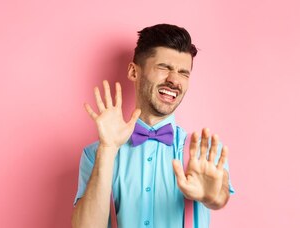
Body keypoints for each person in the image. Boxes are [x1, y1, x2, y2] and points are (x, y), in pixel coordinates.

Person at [72, 24, 235, 228]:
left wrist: (212, 195)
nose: (174, 80)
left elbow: (219, 196)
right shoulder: (95, 154)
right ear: (133, 71)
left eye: (183, 72)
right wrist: (107, 150)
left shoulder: (202, 152)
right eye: (164, 67)